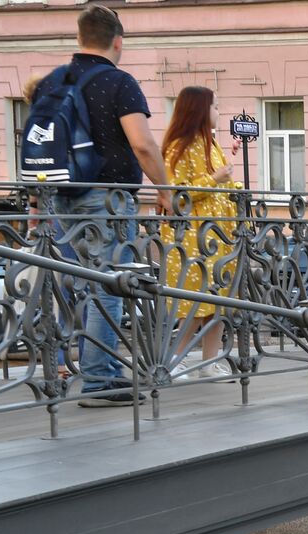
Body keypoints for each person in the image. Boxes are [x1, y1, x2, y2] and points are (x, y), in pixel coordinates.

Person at [37, 3, 170, 407]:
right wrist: (165, 190)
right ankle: (98, 380)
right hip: (108, 198)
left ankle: (104, 371)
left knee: (88, 284)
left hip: (62, 195)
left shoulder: (53, 81)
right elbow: (143, 143)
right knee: (111, 284)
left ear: (79, 37)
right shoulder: (118, 82)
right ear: (118, 41)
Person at [160, 85, 241, 377]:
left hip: (218, 235)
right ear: (198, 109)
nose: (218, 112)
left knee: (218, 302)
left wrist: (229, 182)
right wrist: (216, 177)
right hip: (193, 237)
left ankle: (209, 361)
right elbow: (176, 195)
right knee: (194, 303)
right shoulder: (178, 146)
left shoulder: (211, 143)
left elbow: (221, 186)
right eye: (214, 106)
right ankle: (176, 360)